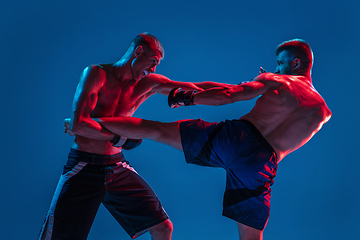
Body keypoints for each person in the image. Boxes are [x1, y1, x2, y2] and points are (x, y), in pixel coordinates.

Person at [65, 39, 332, 240]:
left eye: (280, 63)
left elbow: (226, 95)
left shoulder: (277, 81)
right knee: (252, 236)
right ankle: (86, 124)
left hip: (237, 139)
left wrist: (186, 98)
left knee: (155, 130)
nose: (277, 68)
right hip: (263, 164)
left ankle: (87, 123)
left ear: (295, 63)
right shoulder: (323, 112)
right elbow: (219, 89)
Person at [39, 32, 227, 240]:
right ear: (138, 52)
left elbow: (198, 88)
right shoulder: (96, 74)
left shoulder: (148, 83)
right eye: (153, 62)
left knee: (163, 227)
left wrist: (251, 86)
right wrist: (120, 138)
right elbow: (79, 125)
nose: (154, 69)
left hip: (116, 166)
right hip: (83, 167)